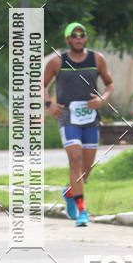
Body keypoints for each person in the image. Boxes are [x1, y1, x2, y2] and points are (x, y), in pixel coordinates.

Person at [43, 22, 114, 227]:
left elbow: (109, 84)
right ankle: (83, 211)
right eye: (74, 35)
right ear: (68, 39)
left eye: (81, 34)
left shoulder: (97, 59)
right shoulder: (57, 61)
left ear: (85, 38)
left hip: (90, 118)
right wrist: (49, 104)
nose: (78, 38)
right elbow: (41, 85)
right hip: (68, 118)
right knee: (75, 161)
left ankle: (69, 193)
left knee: (86, 168)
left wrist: (102, 99)